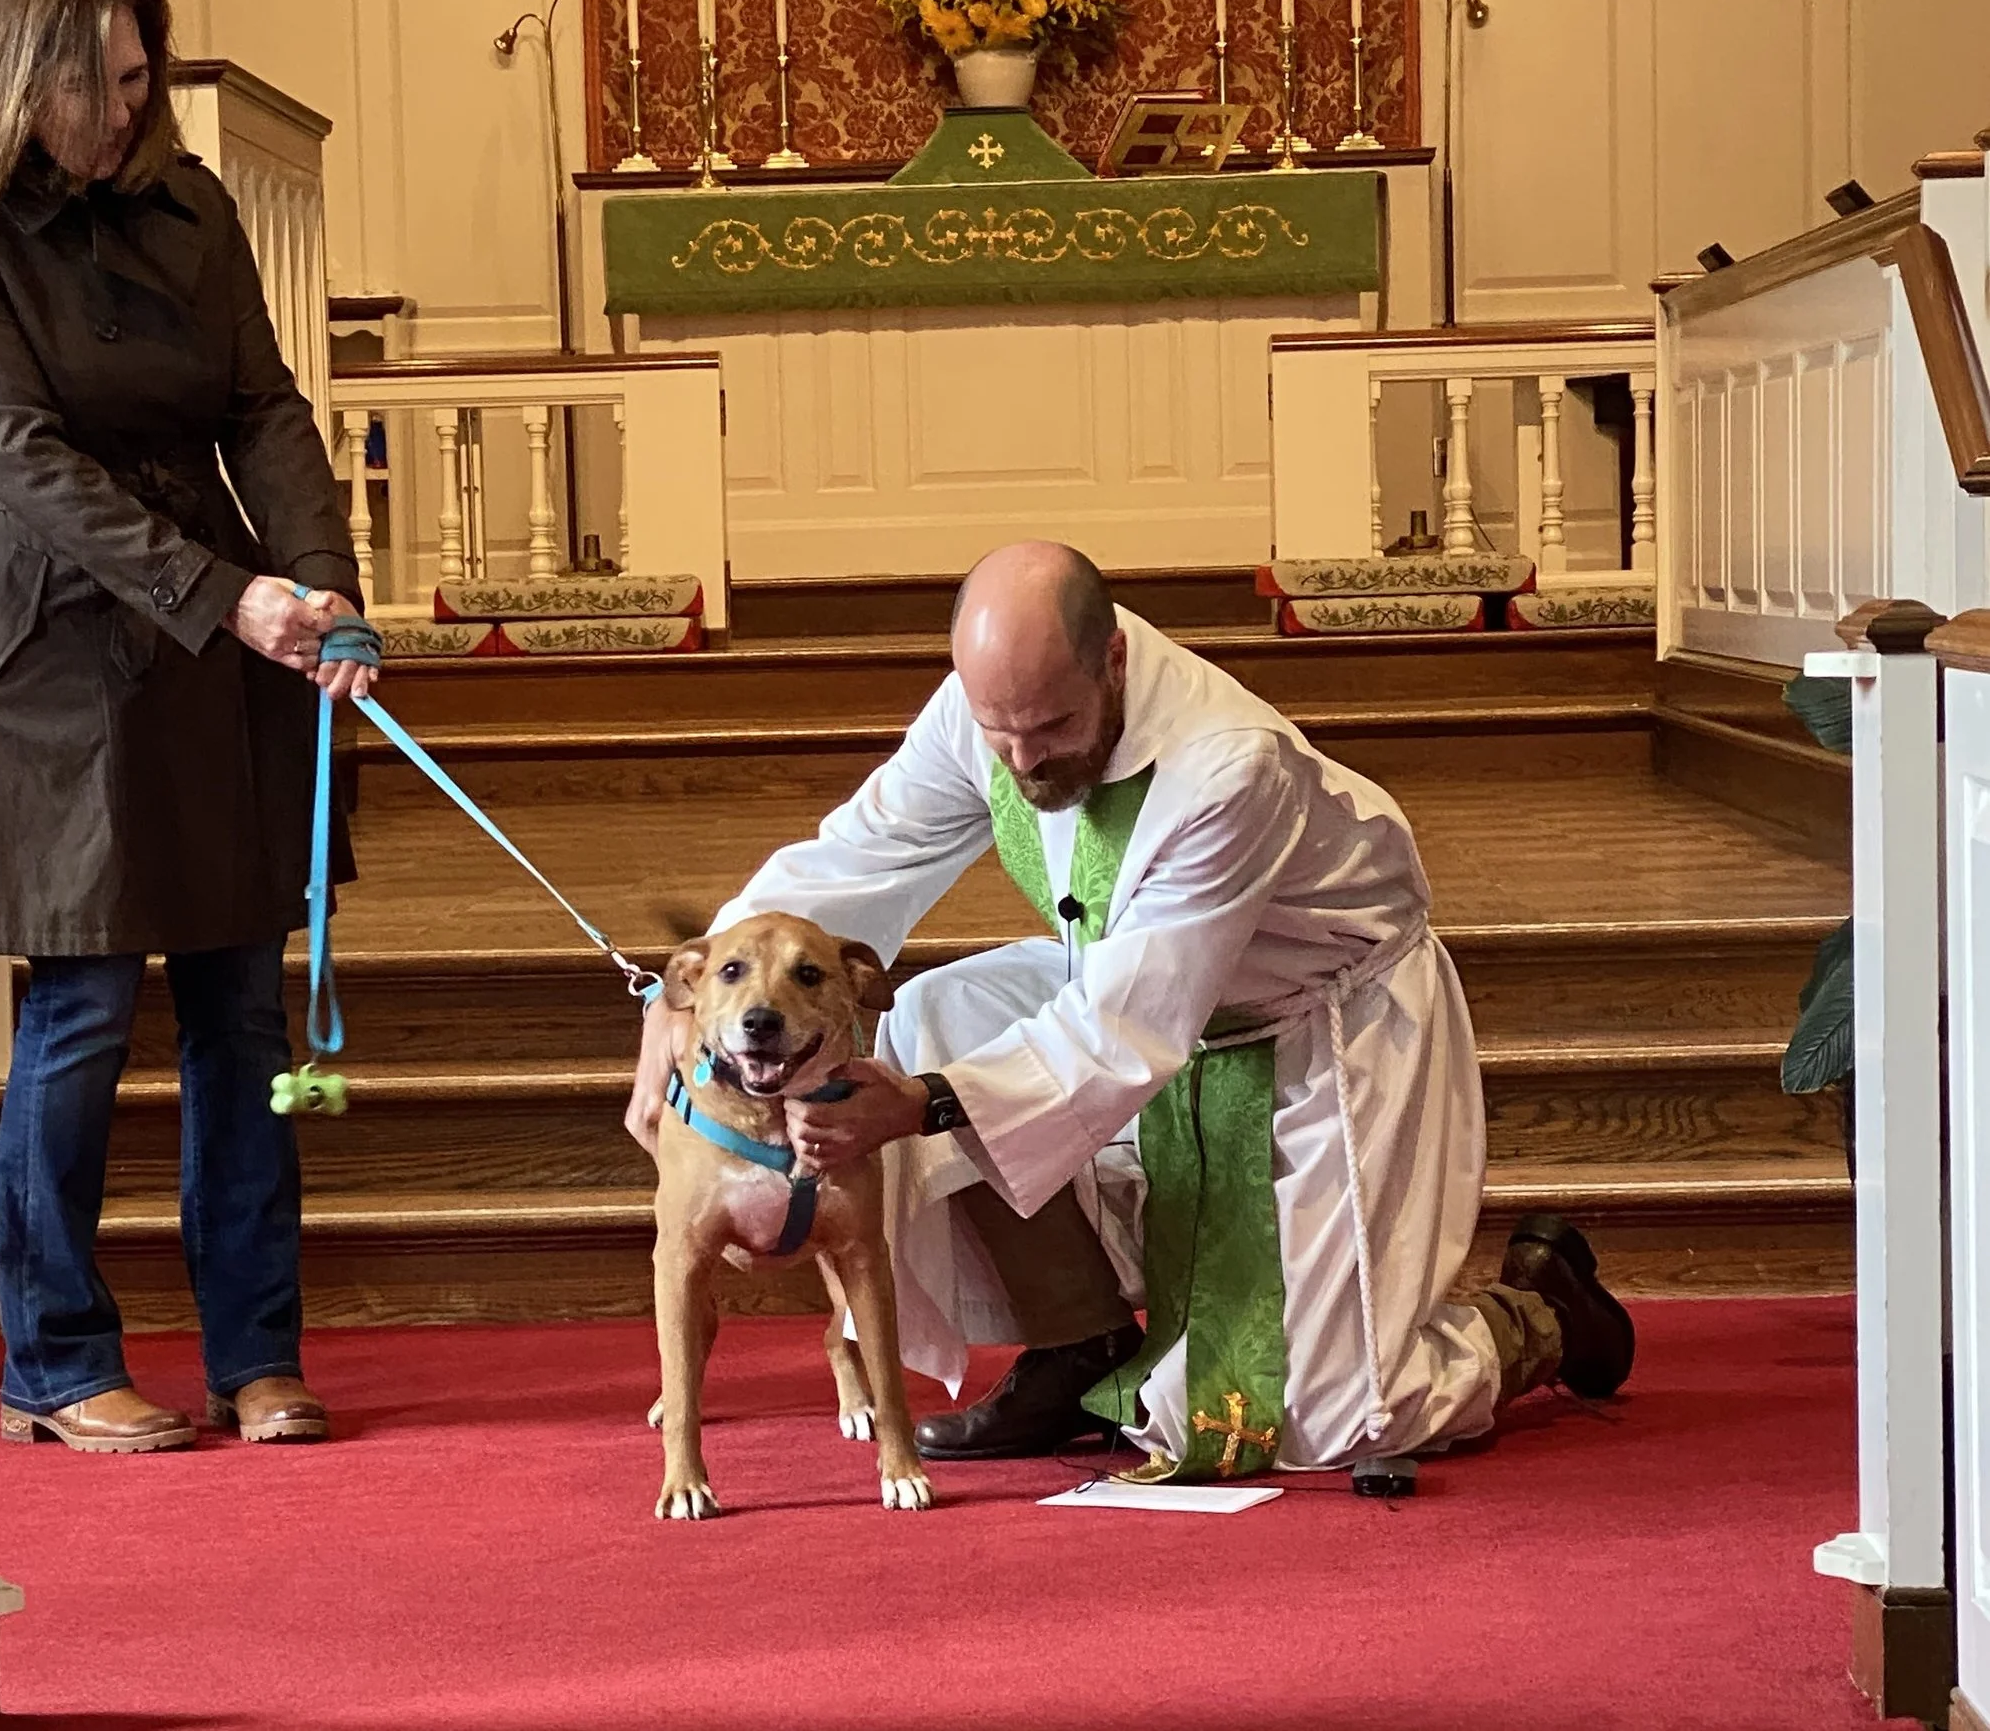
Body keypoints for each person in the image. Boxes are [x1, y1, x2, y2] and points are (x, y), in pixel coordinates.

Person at [628, 541, 1632, 1472]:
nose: (1021, 763)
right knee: (932, 1015)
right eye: (997, 733)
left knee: (1326, 1415)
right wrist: (680, 1009)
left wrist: (921, 1104)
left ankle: (1535, 1313)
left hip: (1310, 1024)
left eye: (1053, 729)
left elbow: (1130, 1023)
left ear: (1111, 661)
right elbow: (858, 860)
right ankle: (1079, 1344)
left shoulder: (1227, 764)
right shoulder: (993, 707)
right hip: (1124, 976)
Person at [0, 0, 370, 1454]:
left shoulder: (192, 202)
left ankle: (257, 1350)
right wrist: (227, 595)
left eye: (138, 75)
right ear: (24, 77)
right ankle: (52, 1354)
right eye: (102, 81)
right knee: (83, 1005)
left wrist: (320, 574)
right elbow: (20, 462)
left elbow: (264, 404)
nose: (128, 105)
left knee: (237, 1000)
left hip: (221, 624)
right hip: (49, 636)